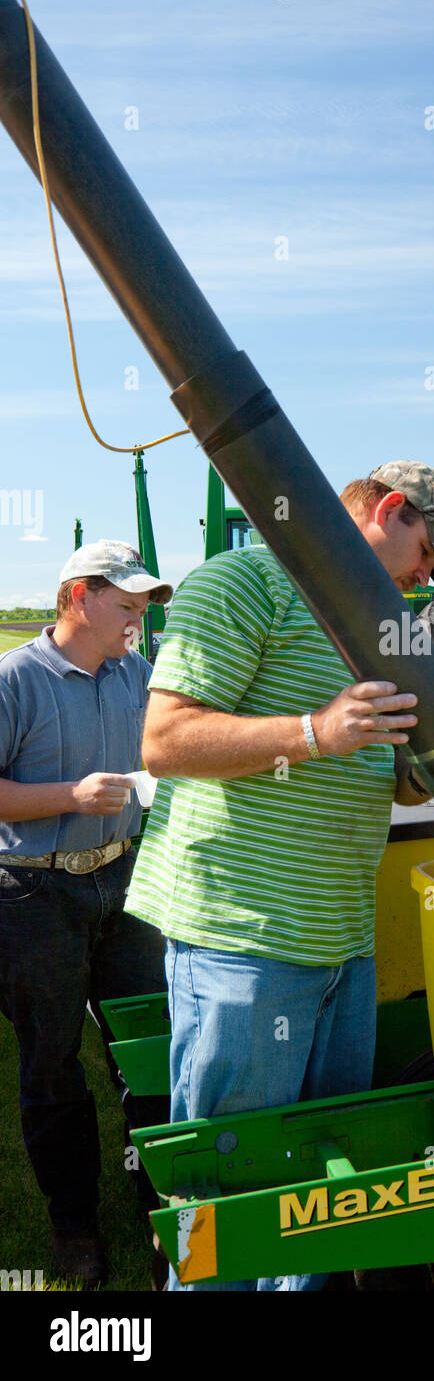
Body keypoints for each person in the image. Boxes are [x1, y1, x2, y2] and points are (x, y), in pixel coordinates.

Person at [125, 460, 434, 1291]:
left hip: (341, 944)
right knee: (232, 1196)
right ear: (389, 510)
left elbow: (375, 760)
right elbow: (164, 742)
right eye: (429, 549)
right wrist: (317, 731)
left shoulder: (380, 622)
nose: (430, 573)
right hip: (246, 939)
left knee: (317, 1194)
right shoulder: (246, 582)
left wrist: (421, 769)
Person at [0, 540, 173, 1287]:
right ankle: (74, 1225)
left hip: (127, 885)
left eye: (142, 607)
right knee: (52, 1064)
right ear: (79, 598)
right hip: (35, 895)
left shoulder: (139, 674)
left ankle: (160, 1199)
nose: (138, 619)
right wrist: (71, 797)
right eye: (127, 605)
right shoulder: (16, 679)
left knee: (149, 1048)